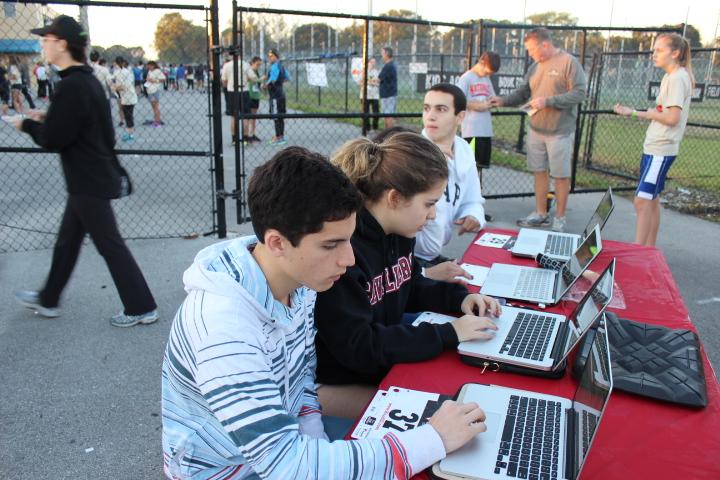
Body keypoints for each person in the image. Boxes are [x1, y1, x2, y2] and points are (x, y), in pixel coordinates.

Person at [161, 146, 489, 479]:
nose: (349, 260)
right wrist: (433, 440)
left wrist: (316, 437)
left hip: (284, 447)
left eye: (348, 240)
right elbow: (288, 466)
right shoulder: (224, 330)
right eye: (331, 245)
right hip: (228, 472)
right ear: (277, 243)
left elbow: (303, 379)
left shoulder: (300, 283)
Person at [313, 132, 501, 419]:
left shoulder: (399, 232)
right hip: (346, 382)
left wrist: (460, 300)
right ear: (395, 198)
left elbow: (409, 286)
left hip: (384, 361)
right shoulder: (344, 250)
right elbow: (361, 346)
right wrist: (448, 333)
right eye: (428, 203)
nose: (434, 215)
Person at [11, 15, 157, 327]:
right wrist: (48, 116)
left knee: (109, 245)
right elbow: (86, 127)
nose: (43, 44)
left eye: (47, 39)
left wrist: (27, 124)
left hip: (87, 181)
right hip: (89, 177)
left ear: (62, 44)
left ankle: (141, 306)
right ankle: (49, 298)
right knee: (68, 242)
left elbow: (55, 139)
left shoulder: (71, 86)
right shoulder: (87, 81)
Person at [490, 28, 586, 233]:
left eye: (532, 49)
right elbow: (523, 91)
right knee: (539, 172)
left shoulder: (568, 62)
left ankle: (559, 218)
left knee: (560, 176)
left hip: (560, 130)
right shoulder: (535, 66)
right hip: (536, 129)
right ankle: (541, 213)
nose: (531, 54)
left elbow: (579, 93)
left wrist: (548, 101)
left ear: (545, 45)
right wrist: (503, 101)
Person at [612, 33, 693, 246]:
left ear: (675, 53)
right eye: (654, 50)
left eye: (659, 50)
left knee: (641, 201)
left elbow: (672, 118)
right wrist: (634, 112)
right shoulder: (671, 76)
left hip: (661, 150)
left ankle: (638, 252)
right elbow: (664, 111)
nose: (654, 54)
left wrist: (643, 113)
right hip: (654, 147)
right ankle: (648, 250)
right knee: (652, 200)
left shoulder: (677, 78)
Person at [416, 83, 487, 281]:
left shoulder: (463, 149)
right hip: (408, 259)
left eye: (441, 109)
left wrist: (473, 215)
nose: (430, 116)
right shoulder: (412, 151)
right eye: (426, 108)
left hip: (433, 255)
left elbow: (473, 199)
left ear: (460, 116)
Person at [458, 52, 501, 170]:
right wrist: (478, 106)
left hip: (485, 131)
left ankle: (478, 188)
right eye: (487, 71)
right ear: (481, 62)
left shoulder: (486, 79)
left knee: (481, 166)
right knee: (470, 166)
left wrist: (493, 102)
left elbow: (491, 96)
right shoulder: (466, 78)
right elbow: (459, 101)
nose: (488, 74)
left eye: (490, 73)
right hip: (471, 130)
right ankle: (470, 188)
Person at [221, 55, 252, 144]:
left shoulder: (227, 65)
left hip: (232, 91)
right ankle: (245, 138)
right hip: (244, 91)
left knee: (234, 116)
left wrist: (228, 85)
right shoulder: (245, 64)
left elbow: (224, 80)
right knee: (245, 116)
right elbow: (250, 77)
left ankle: (234, 139)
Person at [110, 56, 138, 142]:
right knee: (127, 116)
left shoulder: (126, 72)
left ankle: (131, 134)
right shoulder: (117, 72)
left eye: (115, 63)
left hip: (129, 96)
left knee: (128, 116)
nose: (114, 64)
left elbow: (125, 86)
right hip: (125, 97)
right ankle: (129, 133)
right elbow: (111, 78)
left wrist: (115, 88)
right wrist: (114, 86)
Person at [264, 48, 288, 145]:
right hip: (281, 94)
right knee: (280, 116)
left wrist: (265, 85)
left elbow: (272, 80)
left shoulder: (274, 66)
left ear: (276, 56)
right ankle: (280, 136)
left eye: (271, 56)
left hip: (275, 95)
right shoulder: (281, 66)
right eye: (269, 56)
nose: (269, 58)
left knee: (276, 116)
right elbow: (287, 78)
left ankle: (279, 137)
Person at [358, 57, 380, 132]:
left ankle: (375, 127)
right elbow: (360, 82)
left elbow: (378, 82)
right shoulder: (363, 72)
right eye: (372, 62)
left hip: (374, 95)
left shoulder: (376, 72)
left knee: (376, 112)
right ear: (368, 63)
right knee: (365, 112)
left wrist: (367, 81)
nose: (374, 63)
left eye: (375, 62)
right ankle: (367, 128)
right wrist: (371, 82)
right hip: (365, 95)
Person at [246, 56, 265, 143]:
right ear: (253, 63)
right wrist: (261, 79)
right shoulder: (249, 71)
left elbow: (258, 83)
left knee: (254, 116)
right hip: (250, 95)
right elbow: (253, 80)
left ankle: (253, 134)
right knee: (249, 116)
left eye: (260, 65)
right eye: (257, 64)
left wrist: (261, 85)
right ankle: (248, 135)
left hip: (256, 95)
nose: (258, 66)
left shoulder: (256, 71)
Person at [378, 46, 398, 129]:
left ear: (386, 54)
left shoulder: (389, 66)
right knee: (386, 115)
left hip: (388, 95)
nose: (381, 55)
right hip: (387, 94)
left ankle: (389, 134)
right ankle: (387, 133)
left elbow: (379, 79)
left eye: (382, 53)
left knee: (388, 116)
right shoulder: (389, 65)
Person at [144, 61, 165, 127]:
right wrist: (147, 79)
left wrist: (155, 81)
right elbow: (148, 78)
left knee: (156, 106)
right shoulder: (149, 71)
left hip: (155, 90)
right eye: (148, 66)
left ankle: (157, 121)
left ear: (153, 65)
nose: (148, 67)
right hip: (149, 90)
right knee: (153, 107)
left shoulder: (157, 71)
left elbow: (163, 79)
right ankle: (156, 120)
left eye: (149, 65)